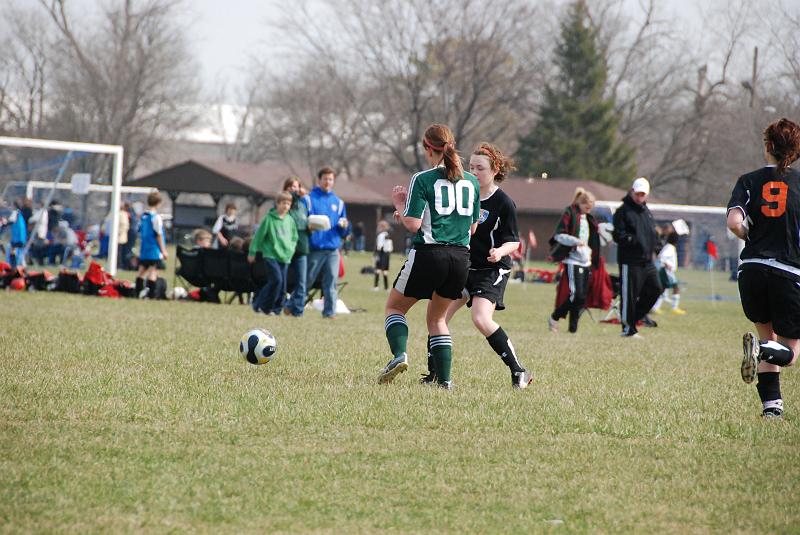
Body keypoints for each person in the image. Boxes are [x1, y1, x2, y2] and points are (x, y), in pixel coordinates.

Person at [377, 123, 480, 389]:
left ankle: (399, 355)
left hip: (430, 253)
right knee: (437, 319)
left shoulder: (422, 179)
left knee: (395, 308)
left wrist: (399, 204)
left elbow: (412, 224)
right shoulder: (472, 181)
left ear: (427, 148)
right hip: (460, 258)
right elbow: (472, 227)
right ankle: (445, 381)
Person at [436, 142, 531, 388]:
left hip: (492, 270)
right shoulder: (464, 193)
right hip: (465, 267)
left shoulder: (504, 203)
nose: (474, 172)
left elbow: (514, 241)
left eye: (480, 168)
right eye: (471, 167)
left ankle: (519, 371)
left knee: (480, 318)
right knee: (438, 316)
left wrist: (499, 251)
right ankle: (435, 374)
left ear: (494, 169)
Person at [727, 117, 800, 419]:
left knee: (767, 337)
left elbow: (734, 222)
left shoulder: (749, 180)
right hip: (789, 273)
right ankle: (761, 350)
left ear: (768, 146)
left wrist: (750, 235)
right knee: (789, 353)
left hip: (752, 271)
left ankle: (772, 408)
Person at [612, 177, 662, 338]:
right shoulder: (623, 211)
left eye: (643, 194)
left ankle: (634, 318)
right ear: (632, 191)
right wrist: (634, 241)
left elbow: (652, 233)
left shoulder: (646, 212)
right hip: (630, 261)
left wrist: (657, 245)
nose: (640, 197)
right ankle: (628, 328)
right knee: (630, 295)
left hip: (647, 261)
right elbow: (618, 235)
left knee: (656, 289)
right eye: (637, 193)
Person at [548, 188, 601, 334]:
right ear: (581, 203)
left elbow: (592, 238)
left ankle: (573, 329)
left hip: (586, 261)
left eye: (590, 208)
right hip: (573, 260)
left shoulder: (589, 219)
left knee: (582, 297)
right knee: (575, 294)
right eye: (586, 207)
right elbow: (559, 235)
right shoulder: (570, 213)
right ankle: (554, 318)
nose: (588, 211)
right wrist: (575, 241)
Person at [304, 167, 350, 318]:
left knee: (331, 281)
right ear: (319, 180)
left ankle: (329, 312)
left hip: (332, 249)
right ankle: (295, 307)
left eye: (330, 179)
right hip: (315, 248)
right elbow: (303, 223)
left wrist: (344, 226)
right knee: (308, 280)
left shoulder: (339, 203)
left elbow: (343, 231)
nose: (328, 182)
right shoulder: (309, 199)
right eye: (325, 179)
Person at [249, 191, 298, 316]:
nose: (285, 206)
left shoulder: (290, 220)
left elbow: (294, 237)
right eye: (283, 203)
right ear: (277, 204)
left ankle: (275, 309)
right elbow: (259, 236)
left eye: (288, 203)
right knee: (276, 280)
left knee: (282, 286)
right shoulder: (269, 219)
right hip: (271, 255)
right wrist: (252, 251)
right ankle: (262, 305)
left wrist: (291, 249)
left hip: (285, 256)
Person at [283, 177, 310, 317]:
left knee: (302, 282)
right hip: (285, 249)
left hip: (301, 249)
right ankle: (279, 306)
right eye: (291, 187)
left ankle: (298, 311)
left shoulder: (303, 206)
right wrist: (296, 194)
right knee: (282, 280)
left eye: (297, 186)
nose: (295, 189)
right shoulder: (282, 204)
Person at [136, 191, 168, 299]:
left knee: (141, 272)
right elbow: (158, 234)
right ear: (158, 203)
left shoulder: (144, 217)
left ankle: (137, 293)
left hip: (144, 249)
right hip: (154, 249)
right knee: (153, 272)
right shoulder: (156, 218)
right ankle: (151, 295)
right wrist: (163, 250)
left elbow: (140, 231)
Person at [651, 231, 685, 315]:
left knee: (662, 289)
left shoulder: (668, 246)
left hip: (664, 271)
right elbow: (661, 257)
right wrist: (667, 264)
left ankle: (655, 308)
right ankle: (674, 308)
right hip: (666, 272)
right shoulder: (670, 248)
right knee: (676, 288)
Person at [373, 220, 393, 291]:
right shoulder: (388, 235)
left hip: (381, 253)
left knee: (378, 270)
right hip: (387, 254)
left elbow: (379, 246)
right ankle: (386, 287)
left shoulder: (381, 235)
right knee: (385, 271)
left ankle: (376, 286)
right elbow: (390, 247)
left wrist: (375, 254)